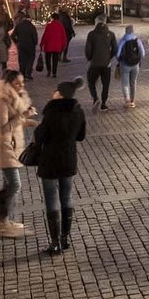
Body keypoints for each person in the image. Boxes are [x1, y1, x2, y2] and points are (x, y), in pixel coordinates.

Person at [33, 78, 87, 255]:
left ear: (61, 94)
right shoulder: (78, 112)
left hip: (50, 161)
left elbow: (40, 136)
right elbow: (80, 136)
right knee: (66, 196)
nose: (53, 92)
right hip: (68, 159)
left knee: (51, 200)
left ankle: (54, 242)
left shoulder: (51, 112)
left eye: (56, 90)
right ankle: (65, 239)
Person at [0, 69, 37, 236]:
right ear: (8, 84)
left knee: (8, 186)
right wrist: (22, 116)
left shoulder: (13, 98)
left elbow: (13, 122)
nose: (21, 86)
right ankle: (2, 221)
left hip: (13, 146)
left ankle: (1, 218)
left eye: (22, 83)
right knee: (15, 184)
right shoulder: (0, 101)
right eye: (17, 83)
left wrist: (27, 121)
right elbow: (2, 128)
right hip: (4, 147)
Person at [84, 20, 117, 111]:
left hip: (94, 63)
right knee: (106, 84)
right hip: (106, 64)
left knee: (91, 81)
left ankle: (95, 98)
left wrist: (90, 58)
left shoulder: (91, 34)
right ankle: (103, 103)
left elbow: (88, 49)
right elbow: (115, 48)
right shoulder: (111, 34)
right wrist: (109, 57)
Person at [116, 25, 145, 108]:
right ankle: (132, 101)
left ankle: (127, 100)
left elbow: (117, 54)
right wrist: (137, 58)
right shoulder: (137, 40)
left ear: (126, 31)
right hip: (135, 65)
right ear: (133, 31)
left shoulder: (123, 40)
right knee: (133, 82)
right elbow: (142, 54)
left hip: (124, 64)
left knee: (125, 83)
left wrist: (120, 60)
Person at [40, 10, 71, 77]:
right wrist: (64, 44)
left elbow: (45, 35)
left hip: (48, 45)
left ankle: (49, 71)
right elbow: (63, 36)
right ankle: (54, 73)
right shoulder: (60, 26)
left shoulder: (49, 25)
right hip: (57, 46)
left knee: (48, 59)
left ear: (52, 18)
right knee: (55, 60)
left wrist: (41, 43)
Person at [13, 12, 40, 79]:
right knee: (30, 59)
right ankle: (28, 72)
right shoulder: (31, 26)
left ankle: (22, 73)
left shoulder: (19, 26)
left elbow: (12, 35)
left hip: (21, 45)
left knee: (22, 60)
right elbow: (35, 36)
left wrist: (17, 42)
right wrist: (35, 42)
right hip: (30, 46)